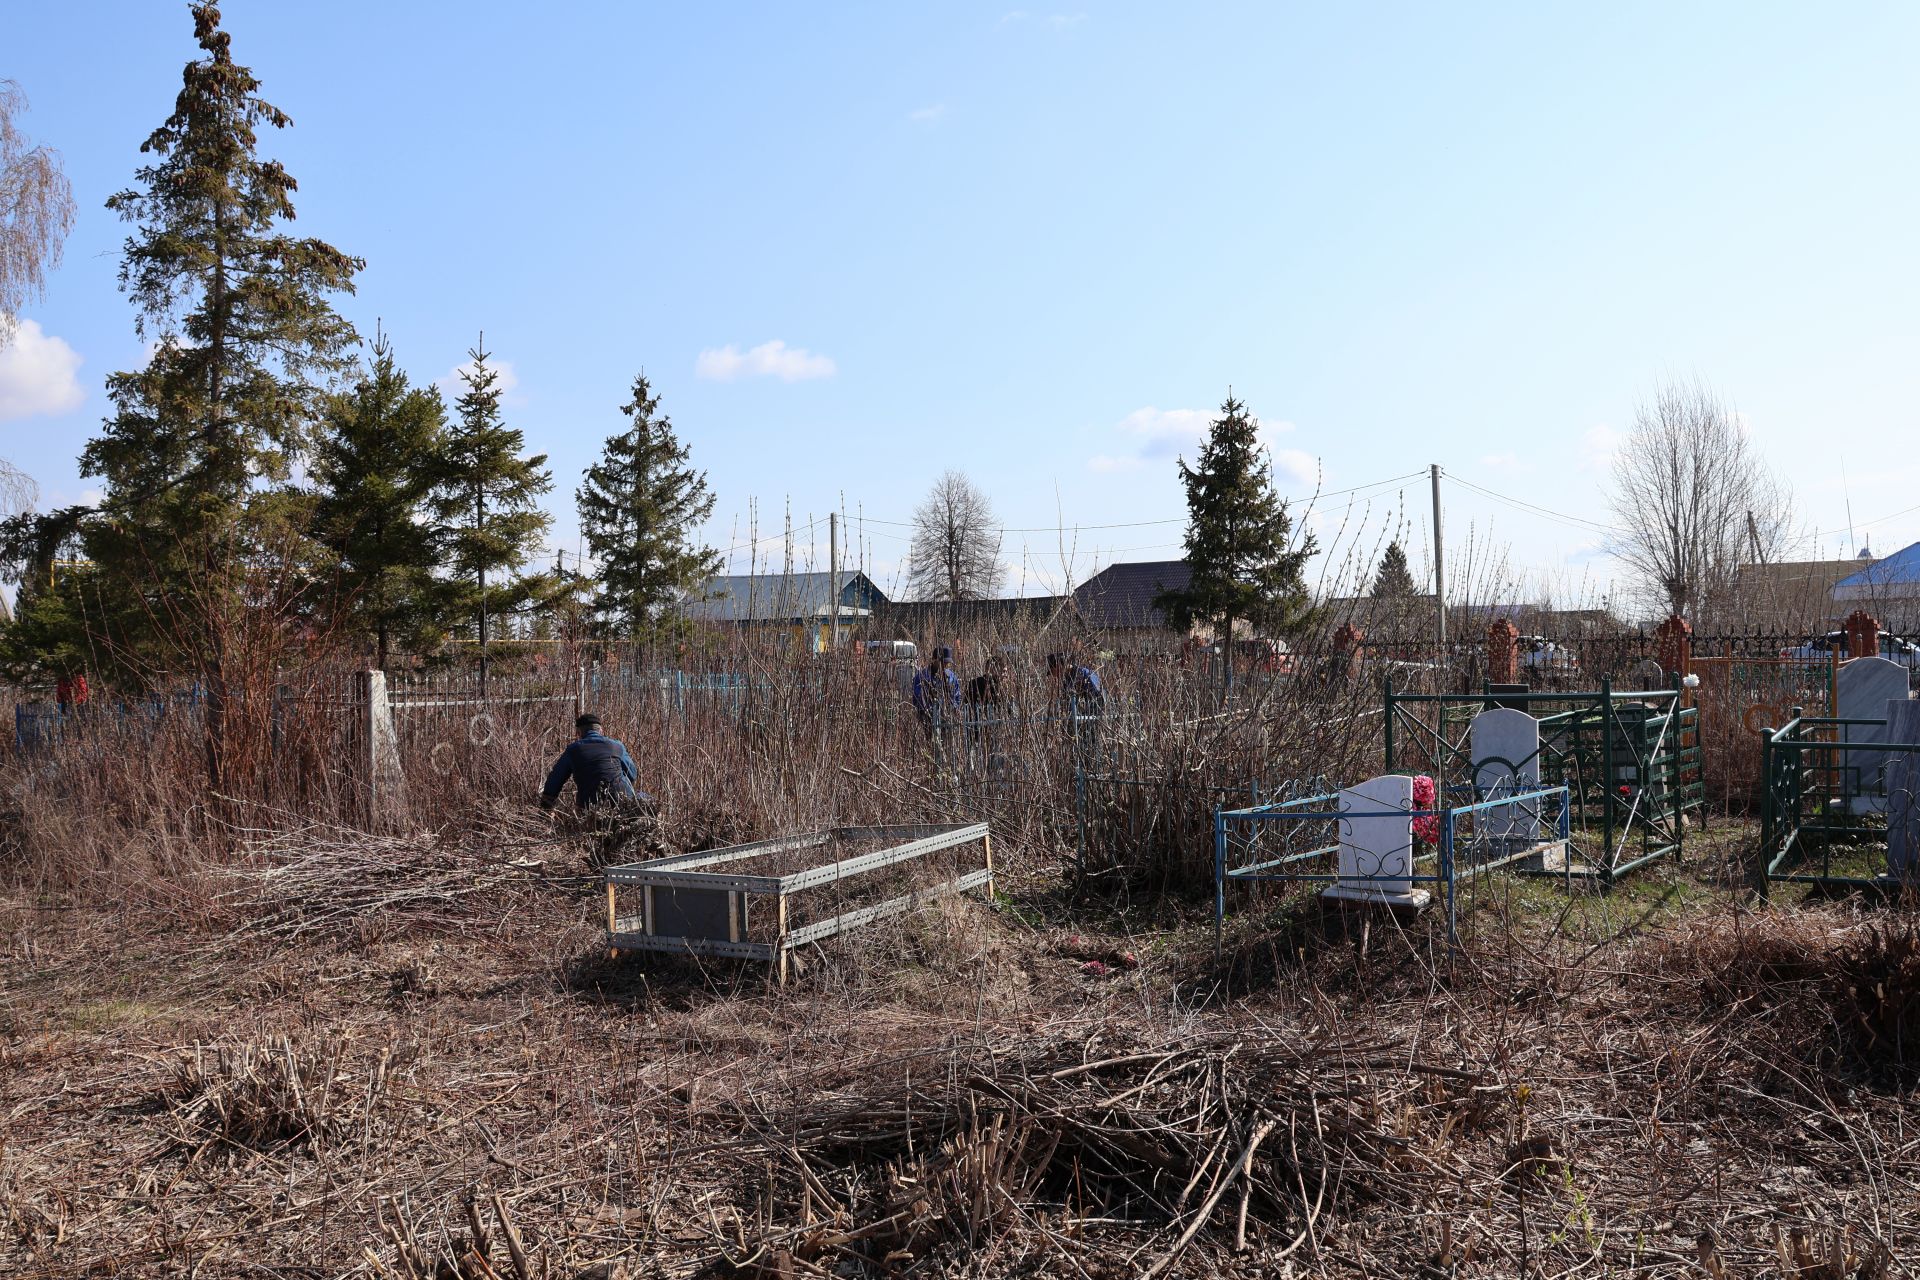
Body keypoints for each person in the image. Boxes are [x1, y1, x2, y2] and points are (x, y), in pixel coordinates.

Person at [540, 713, 651, 812]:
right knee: (647, 797)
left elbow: (555, 780)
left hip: (589, 807)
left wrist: (546, 805)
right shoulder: (616, 746)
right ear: (600, 730)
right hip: (623, 802)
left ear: (579, 732)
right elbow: (632, 774)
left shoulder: (573, 750)